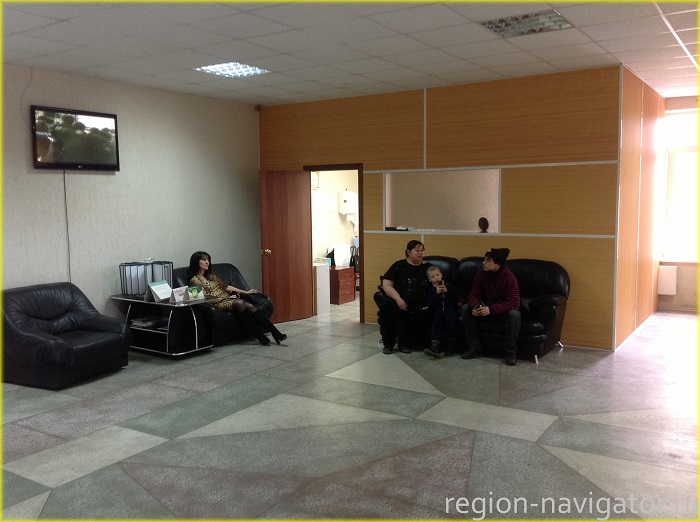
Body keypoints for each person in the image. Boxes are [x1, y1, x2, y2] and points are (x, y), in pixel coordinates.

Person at [187, 251, 287, 346]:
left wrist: (245, 292)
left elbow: (225, 286)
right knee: (240, 303)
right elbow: (204, 298)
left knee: (248, 305)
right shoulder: (194, 280)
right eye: (204, 260)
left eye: (208, 259)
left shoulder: (211, 275)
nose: (207, 262)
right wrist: (224, 299)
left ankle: (271, 333)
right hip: (218, 302)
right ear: (196, 262)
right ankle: (270, 334)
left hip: (228, 298)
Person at [460, 248, 521, 365]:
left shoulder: (509, 277)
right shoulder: (481, 274)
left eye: (488, 260)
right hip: (485, 307)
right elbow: (473, 294)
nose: (483, 262)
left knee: (515, 314)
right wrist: (476, 306)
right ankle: (475, 347)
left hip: (501, 311)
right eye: (484, 259)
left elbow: (514, 303)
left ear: (498, 264)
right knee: (466, 308)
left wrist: (491, 309)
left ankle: (510, 352)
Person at [375, 240, 432, 354]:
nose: (420, 253)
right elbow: (387, 284)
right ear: (408, 252)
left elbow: (437, 280)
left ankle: (404, 344)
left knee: (421, 313)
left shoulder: (428, 267)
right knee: (387, 307)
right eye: (417, 250)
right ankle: (388, 344)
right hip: (399, 300)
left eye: (422, 250)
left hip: (420, 303)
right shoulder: (399, 265)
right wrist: (398, 299)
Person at [424, 265, 459, 358]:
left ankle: (450, 346)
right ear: (429, 280)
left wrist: (447, 291)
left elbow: (456, 297)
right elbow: (430, 303)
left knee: (451, 323)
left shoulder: (449, 285)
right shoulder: (430, 290)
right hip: (438, 310)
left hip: (450, 309)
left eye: (437, 275)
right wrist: (437, 293)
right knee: (436, 323)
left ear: (441, 275)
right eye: (432, 277)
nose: (436, 278)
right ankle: (435, 346)